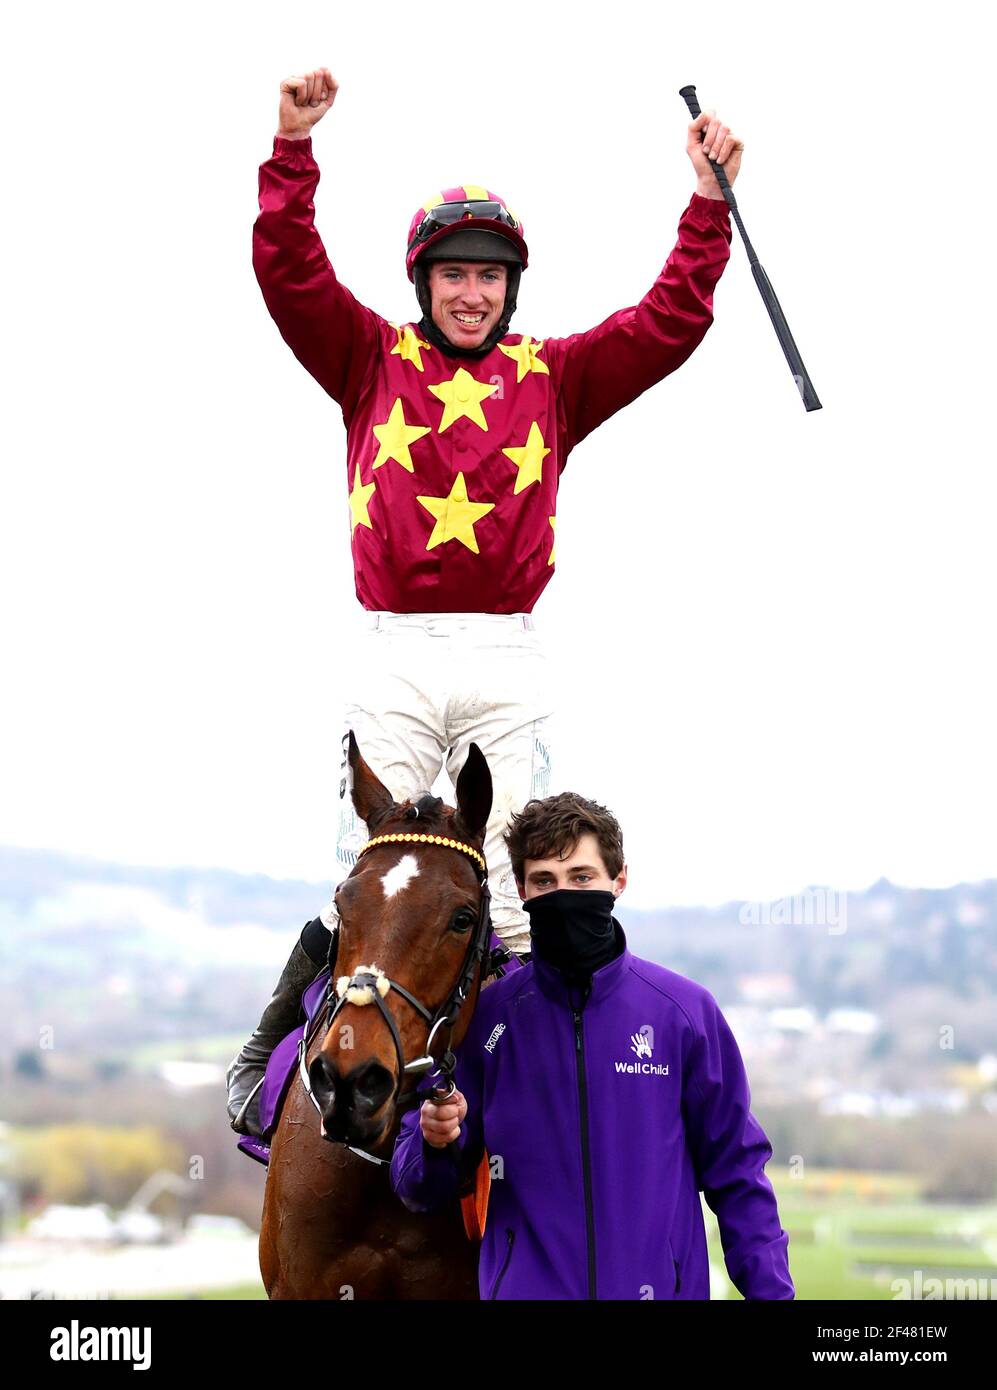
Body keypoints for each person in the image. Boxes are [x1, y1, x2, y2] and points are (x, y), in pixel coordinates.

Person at [227, 66, 743, 1135]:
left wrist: (705, 208)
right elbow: (288, 272)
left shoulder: (555, 375)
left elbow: (667, 323)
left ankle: (519, 1090)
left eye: (491, 279)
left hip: (509, 653)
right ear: (425, 285)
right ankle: (272, 1053)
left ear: (512, 289)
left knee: (509, 887)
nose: (473, 293)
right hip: (397, 647)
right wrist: (292, 148)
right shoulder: (369, 356)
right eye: (455, 276)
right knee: (367, 869)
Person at [390, 792, 795, 1301]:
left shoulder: (684, 1014)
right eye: (544, 881)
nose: (563, 894)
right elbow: (419, 1188)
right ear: (521, 889)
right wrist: (435, 1142)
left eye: (581, 878)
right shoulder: (487, 1019)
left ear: (618, 879)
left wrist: (772, 1295)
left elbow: (738, 1175)